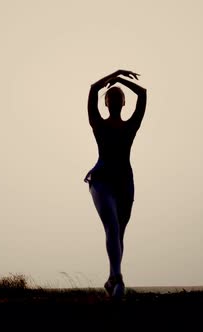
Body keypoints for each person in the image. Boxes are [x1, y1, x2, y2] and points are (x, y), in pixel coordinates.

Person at [84, 70, 147, 298]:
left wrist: (120, 80)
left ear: (123, 102)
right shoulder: (97, 123)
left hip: (124, 182)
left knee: (119, 233)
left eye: (118, 95)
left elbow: (143, 93)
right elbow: (93, 89)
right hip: (101, 180)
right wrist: (116, 74)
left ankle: (112, 279)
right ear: (106, 102)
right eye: (110, 95)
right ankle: (118, 279)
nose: (114, 97)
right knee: (111, 224)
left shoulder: (131, 126)